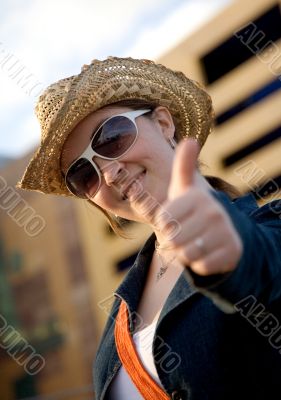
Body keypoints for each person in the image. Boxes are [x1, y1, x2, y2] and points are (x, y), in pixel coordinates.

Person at [18, 57, 281, 400]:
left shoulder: (268, 227)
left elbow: (267, 265)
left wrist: (237, 259)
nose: (109, 174)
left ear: (163, 123)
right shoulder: (121, 312)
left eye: (110, 137)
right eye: (83, 174)